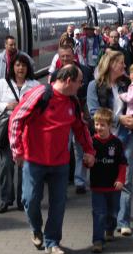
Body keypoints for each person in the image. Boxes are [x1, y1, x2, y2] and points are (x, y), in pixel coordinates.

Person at [9, 64, 95, 254]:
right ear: (68, 81)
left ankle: (52, 241)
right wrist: (17, 151)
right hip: (33, 160)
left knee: (58, 204)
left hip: (60, 163)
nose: (81, 86)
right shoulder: (39, 94)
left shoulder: (72, 102)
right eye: (79, 82)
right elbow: (16, 119)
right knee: (30, 200)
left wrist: (90, 151)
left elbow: (81, 128)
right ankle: (36, 229)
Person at [87, 50, 133, 236]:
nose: (124, 67)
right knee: (107, 179)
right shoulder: (94, 86)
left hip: (129, 136)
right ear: (111, 65)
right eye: (121, 63)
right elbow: (95, 112)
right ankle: (110, 219)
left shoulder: (129, 85)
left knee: (125, 178)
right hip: (105, 140)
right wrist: (120, 120)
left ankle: (123, 221)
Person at [0, 53, 39, 214]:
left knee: (23, 167)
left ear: (28, 68)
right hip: (8, 131)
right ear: (12, 67)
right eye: (17, 65)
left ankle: (22, 200)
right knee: (6, 165)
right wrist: (7, 106)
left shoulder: (34, 85)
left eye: (23, 65)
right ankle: (6, 199)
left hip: (27, 131)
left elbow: (40, 107)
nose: (20, 68)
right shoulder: (3, 84)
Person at [49, 45, 93, 194]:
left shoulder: (86, 71)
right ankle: (63, 180)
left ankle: (80, 181)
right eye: (63, 57)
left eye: (68, 56)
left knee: (80, 150)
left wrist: (86, 115)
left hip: (81, 115)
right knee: (65, 149)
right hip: (65, 119)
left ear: (74, 56)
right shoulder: (56, 74)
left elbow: (91, 91)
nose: (66, 59)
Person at [90, 108, 127, 253]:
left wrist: (120, 179)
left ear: (110, 126)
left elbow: (123, 163)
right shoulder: (91, 142)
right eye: (97, 124)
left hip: (113, 187)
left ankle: (110, 229)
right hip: (97, 186)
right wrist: (88, 162)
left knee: (113, 211)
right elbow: (87, 161)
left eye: (102, 125)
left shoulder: (116, 143)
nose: (99, 127)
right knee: (99, 213)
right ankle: (97, 240)